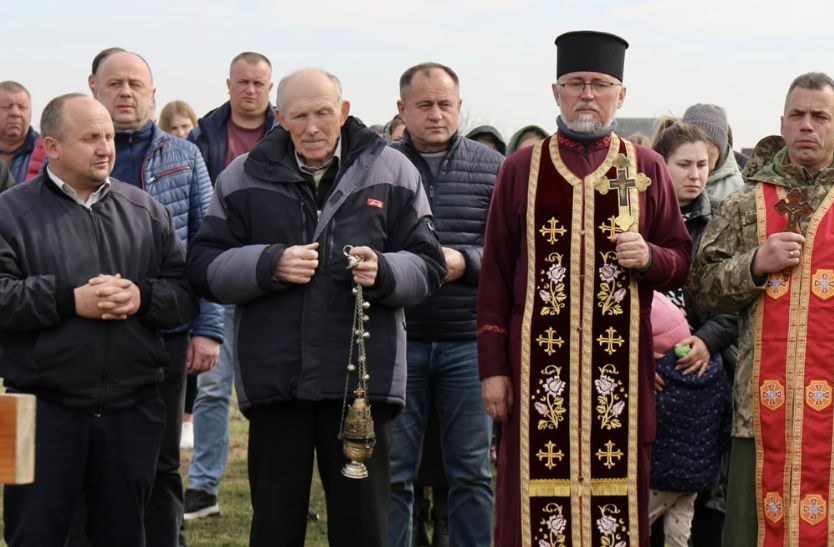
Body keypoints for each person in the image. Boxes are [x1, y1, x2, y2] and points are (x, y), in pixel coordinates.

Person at [187, 67, 446, 546]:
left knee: (363, 530)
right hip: (276, 383)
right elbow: (204, 266)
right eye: (300, 115)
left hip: (362, 387)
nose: (311, 127)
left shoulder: (392, 170)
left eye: (323, 113)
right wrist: (268, 264)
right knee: (275, 527)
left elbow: (429, 265)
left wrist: (384, 271)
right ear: (280, 117)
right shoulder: (241, 175)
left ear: (343, 112)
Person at [476, 31, 692, 546]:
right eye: (576, 83)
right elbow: (495, 276)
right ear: (557, 92)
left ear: (622, 94)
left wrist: (650, 258)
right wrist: (493, 370)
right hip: (535, 372)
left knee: (615, 503)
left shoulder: (645, 168)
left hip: (619, 376)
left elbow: (681, 260)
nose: (588, 94)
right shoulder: (521, 170)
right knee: (530, 503)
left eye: (600, 84)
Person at [690, 72, 834, 546]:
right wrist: (755, 263)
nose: (807, 126)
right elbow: (703, 286)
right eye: (797, 115)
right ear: (782, 122)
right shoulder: (746, 201)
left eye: (820, 116)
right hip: (764, 410)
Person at [0, 94, 197, 547]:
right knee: (34, 535)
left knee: (124, 534)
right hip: (38, 409)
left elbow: (185, 294)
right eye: (90, 137)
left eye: (107, 136)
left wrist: (141, 297)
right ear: (52, 146)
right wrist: (69, 300)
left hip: (132, 409)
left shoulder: (146, 210)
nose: (105, 147)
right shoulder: (10, 213)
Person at [89, 50, 224, 546]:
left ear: (153, 93)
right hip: (88, 332)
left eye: (135, 84)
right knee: (94, 456)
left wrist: (208, 328)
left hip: (164, 331)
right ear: (94, 88)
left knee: (162, 461)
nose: (125, 92)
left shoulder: (184, 156)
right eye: (115, 83)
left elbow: (208, 245)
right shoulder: (74, 152)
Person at [388, 62, 503, 547]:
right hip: (399, 340)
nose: (436, 114)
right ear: (403, 109)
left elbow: (510, 250)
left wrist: (466, 261)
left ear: (459, 107)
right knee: (395, 472)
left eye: (445, 104)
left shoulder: (491, 167)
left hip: (466, 342)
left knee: (471, 471)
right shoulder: (379, 166)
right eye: (424, 105)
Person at [183, 51, 278, 521]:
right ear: (228, 84)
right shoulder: (203, 138)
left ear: (270, 87)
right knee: (212, 390)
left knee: (277, 393)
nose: (250, 90)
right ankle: (203, 488)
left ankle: (281, 486)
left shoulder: (289, 133)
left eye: (259, 82)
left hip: (274, 280)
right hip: (220, 279)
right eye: (243, 82)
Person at [649, 118, 738, 545]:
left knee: (701, 496)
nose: (696, 174)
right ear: (660, 165)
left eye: (703, 165)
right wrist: (635, 357)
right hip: (650, 372)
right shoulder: (637, 218)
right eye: (684, 164)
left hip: (705, 374)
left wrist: (707, 340)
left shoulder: (723, 218)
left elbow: (738, 296)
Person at [646, 290, 731, 547]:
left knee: (634, 524)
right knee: (679, 533)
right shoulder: (715, 374)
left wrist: (707, 340)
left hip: (661, 475)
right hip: (698, 475)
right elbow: (727, 422)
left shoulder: (664, 383)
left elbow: (731, 311)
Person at [682, 103, 743, 202]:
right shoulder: (667, 180)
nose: (700, 148)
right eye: (692, 140)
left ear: (721, 149)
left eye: (708, 140)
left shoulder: (740, 190)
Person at [0, 81, 39, 182]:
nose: (15, 113)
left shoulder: (49, 154)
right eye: (6, 106)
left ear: (31, 113)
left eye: (22, 107)